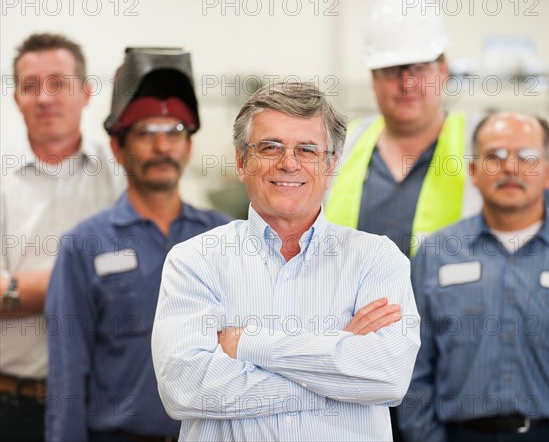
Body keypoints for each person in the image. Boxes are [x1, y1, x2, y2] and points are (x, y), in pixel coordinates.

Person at [151, 82, 421, 441]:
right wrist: (336, 362)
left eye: (307, 149)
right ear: (241, 162)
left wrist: (249, 343)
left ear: (331, 166)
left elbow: (388, 375)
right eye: (270, 147)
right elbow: (185, 388)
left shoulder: (377, 259)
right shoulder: (195, 261)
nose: (289, 163)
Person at [45, 47, 231, 441]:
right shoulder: (84, 246)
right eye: (147, 132)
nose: (163, 147)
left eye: (175, 132)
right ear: (118, 148)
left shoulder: (225, 239)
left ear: (188, 146)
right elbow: (68, 378)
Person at [325, 0, 549, 260]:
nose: (407, 83)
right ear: (373, 77)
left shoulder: (487, 146)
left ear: (443, 70)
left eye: (420, 68)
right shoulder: (341, 144)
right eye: (391, 70)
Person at [399, 112, 549, 442]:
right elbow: (413, 365)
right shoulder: (436, 253)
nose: (510, 168)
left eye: (527, 157)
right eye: (495, 156)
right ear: (474, 171)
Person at [0, 33, 123, 441]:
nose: (44, 97)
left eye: (59, 83)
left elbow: (141, 285)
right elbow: (114, 284)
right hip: (11, 405)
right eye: (30, 86)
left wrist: (15, 293)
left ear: (86, 93)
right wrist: (86, 282)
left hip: (104, 406)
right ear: (16, 97)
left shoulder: (123, 177)